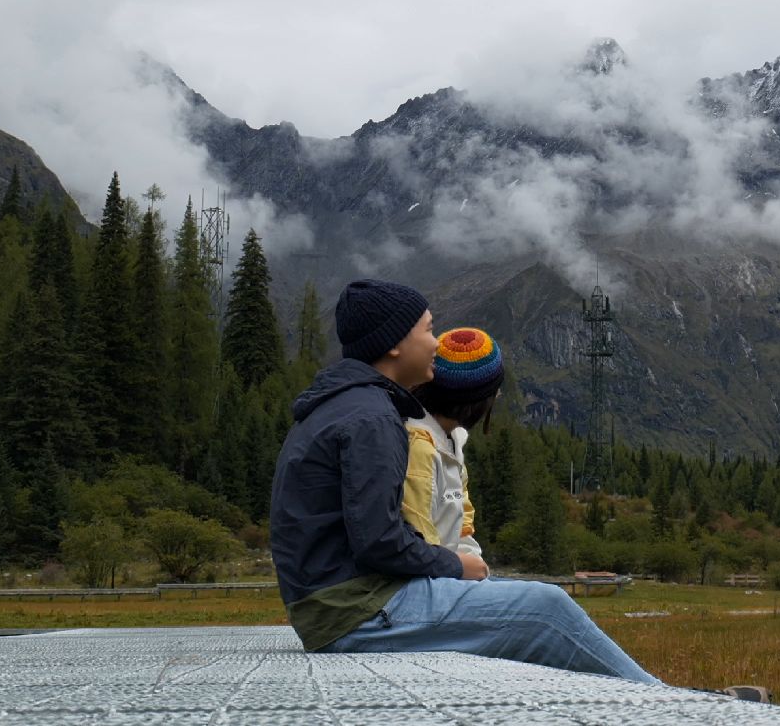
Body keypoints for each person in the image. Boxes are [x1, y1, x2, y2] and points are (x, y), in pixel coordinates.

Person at [268, 279, 660, 684]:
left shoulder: (352, 406)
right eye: (427, 329)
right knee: (547, 608)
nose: (436, 343)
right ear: (394, 345)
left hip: (335, 603)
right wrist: (454, 564)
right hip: (355, 610)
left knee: (513, 594)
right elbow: (379, 542)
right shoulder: (373, 419)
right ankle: (666, 704)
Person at [401, 326, 503, 559]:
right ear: (479, 401)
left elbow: (463, 521)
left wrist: (474, 564)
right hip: (431, 578)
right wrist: (461, 572)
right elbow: (419, 535)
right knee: (550, 597)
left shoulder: (451, 441)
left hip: (450, 571)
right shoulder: (419, 448)